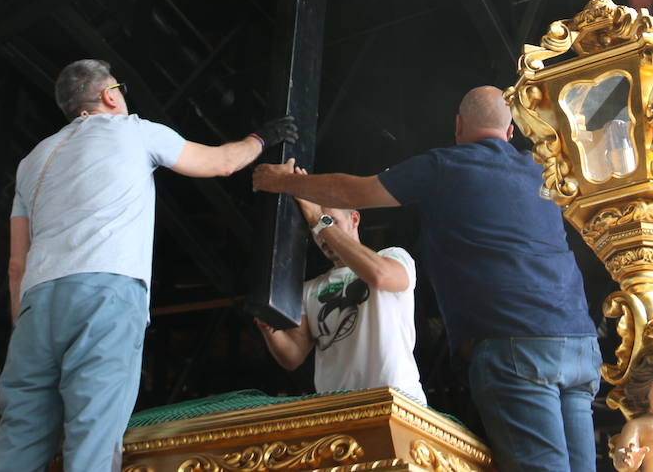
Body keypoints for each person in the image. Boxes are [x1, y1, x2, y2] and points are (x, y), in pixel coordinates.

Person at [253, 85, 600, 472]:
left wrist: (285, 184)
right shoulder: (540, 171)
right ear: (510, 132)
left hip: (513, 339)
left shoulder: (444, 168)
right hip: (580, 343)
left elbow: (355, 190)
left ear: (457, 125)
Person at [0, 58, 296, 472]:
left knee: (20, 439)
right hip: (106, 290)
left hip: (37, 302)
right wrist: (263, 137)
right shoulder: (135, 131)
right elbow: (221, 162)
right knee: (93, 434)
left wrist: (24, 326)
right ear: (109, 94)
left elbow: (16, 263)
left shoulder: (31, 162)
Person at [254, 184, 426, 404]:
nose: (322, 234)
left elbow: (380, 275)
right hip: (338, 408)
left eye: (332, 220)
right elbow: (294, 357)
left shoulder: (393, 256)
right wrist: (269, 328)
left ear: (354, 219)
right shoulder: (309, 289)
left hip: (398, 400)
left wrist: (319, 220)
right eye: (315, 228)